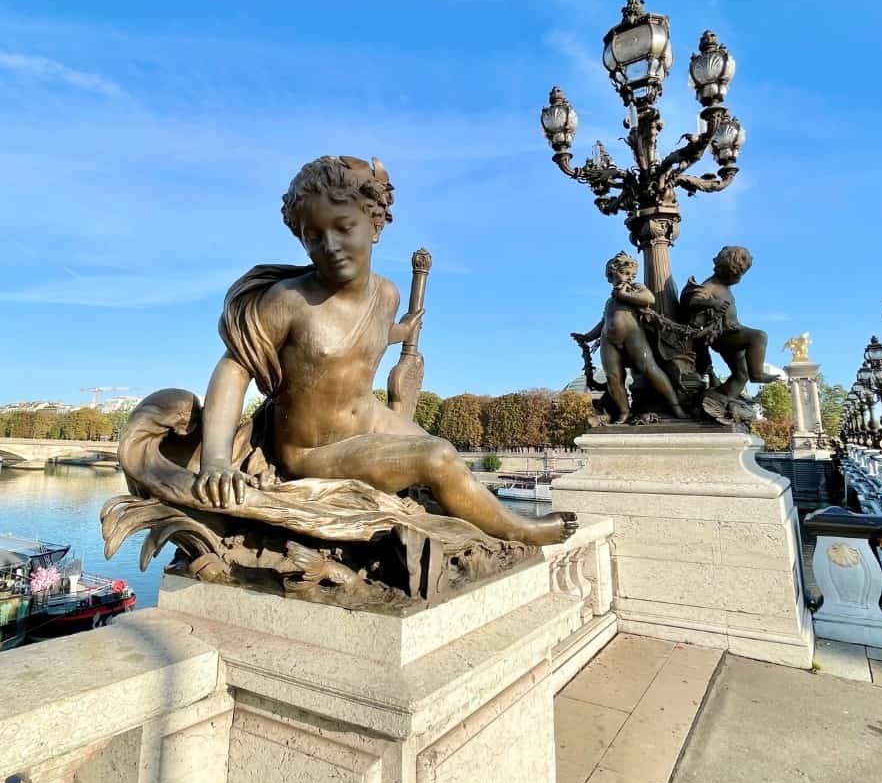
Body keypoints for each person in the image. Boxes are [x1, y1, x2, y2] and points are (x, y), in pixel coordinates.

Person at [193, 155, 574, 547]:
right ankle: (520, 529)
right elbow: (233, 370)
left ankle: (475, 525)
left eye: (344, 228)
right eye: (313, 236)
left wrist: (401, 331)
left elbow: (363, 338)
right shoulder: (287, 301)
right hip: (311, 450)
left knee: (448, 459)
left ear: (374, 226)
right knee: (436, 457)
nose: (330, 246)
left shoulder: (387, 295)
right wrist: (216, 461)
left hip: (369, 418)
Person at [572, 251, 686, 423]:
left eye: (632, 274)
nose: (630, 277)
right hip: (607, 340)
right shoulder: (610, 301)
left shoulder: (635, 288)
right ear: (611, 274)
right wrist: (586, 337)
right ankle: (624, 411)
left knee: (650, 369)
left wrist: (624, 295)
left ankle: (676, 407)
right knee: (613, 377)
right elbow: (603, 322)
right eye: (625, 273)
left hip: (633, 336)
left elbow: (649, 298)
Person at [680, 246, 780, 398]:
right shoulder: (710, 286)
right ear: (724, 270)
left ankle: (717, 399)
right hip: (724, 335)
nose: (739, 278)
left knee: (741, 375)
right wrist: (713, 303)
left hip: (733, 333)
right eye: (737, 274)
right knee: (759, 336)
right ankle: (757, 374)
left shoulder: (723, 286)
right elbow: (693, 301)